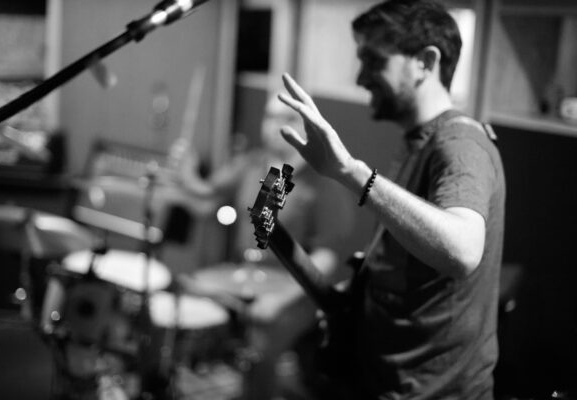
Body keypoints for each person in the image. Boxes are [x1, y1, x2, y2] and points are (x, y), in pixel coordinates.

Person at [277, 0, 506, 399]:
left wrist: (350, 171)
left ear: (425, 62)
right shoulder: (418, 141)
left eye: (373, 60)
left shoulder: (460, 144)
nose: (361, 77)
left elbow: (463, 250)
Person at [169, 94, 354, 399]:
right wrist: (185, 170)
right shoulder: (255, 164)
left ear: (306, 127)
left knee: (260, 344)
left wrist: (280, 299)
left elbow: (326, 257)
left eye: (288, 118)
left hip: (295, 292)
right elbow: (205, 196)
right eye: (270, 116)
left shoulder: (321, 181)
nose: (276, 125)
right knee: (184, 299)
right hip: (245, 277)